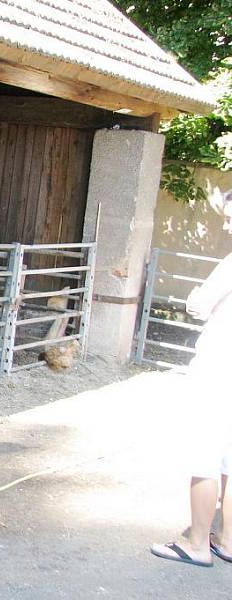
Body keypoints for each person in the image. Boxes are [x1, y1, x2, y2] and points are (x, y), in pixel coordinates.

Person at [151, 190, 232, 567]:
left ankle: (198, 543)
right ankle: (228, 540)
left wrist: (196, 296)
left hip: (218, 368)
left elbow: (198, 305)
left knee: (205, 455)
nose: (227, 224)